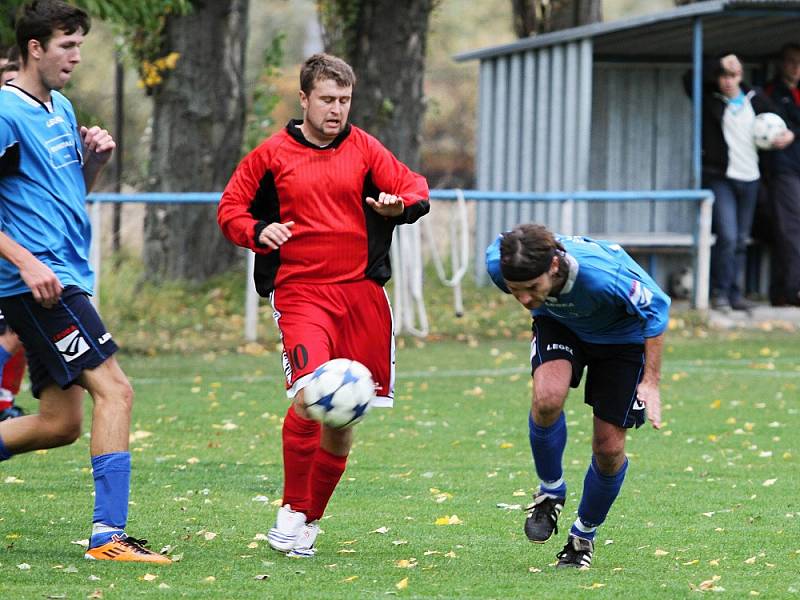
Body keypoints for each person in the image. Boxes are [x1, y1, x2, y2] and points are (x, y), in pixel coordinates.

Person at [218, 53, 430, 558]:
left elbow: (415, 187)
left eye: (344, 100)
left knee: (342, 418)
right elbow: (230, 209)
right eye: (328, 100)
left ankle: (311, 520)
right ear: (305, 99)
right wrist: (256, 230)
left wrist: (399, 206)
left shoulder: (364, 148)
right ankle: (292, 508)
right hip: (301, 293)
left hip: (361, 296)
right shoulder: (270, 155)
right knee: (312, 395)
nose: (337, 110)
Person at [0, 0, 170, 563]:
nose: (75, 56)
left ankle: (108, 535)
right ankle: (109, 538)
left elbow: (68, 197)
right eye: (66, 46)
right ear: (34, 48)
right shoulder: (5, 111)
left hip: (64, 273)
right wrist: (24, 261)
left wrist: (91, 163)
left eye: (78, 45)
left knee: (61, 422)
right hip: (39, 284)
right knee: (116, 390)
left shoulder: (61, 108)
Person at [485, 224, 670, 569]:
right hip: (561, 325)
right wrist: (535, 295)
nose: (524, 299)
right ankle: (550, 492)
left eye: (531, 288)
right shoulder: (499, 262)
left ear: (554, 267)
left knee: (609, 449)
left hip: (623, 341)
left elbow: (657, 307)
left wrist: (651, 382)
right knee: (547, 399)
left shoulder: (601, 276)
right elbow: (520, 276)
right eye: (515, 291)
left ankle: (582, 537)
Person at [685, 54, 793, 312]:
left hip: (751, 179)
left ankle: (735, 293)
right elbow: (689, 78)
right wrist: (720, 61)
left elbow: (783, 123)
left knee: (742, 239)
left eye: (733, 75)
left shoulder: (754, 98)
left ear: (741, 76)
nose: (728, 81)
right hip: (722, 178)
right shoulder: (710, 98)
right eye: (723, 75)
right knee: (728, 236)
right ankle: (719, 293)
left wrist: (788, 134)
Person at [764, 44, 800, 306]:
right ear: (781, 63)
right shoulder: (770, 92)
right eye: (791, 61)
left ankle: (783, 291)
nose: (795, 67)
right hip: (783, 171)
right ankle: (789, 291)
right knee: (790, 230)